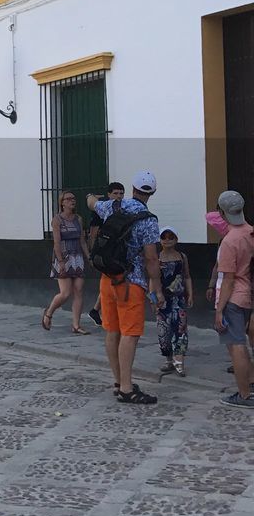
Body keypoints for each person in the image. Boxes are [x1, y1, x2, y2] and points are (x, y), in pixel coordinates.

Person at [87, 172, 164, 405]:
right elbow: (151, 258)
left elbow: (91, 203)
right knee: (130, 335)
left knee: (113, 331)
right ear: (151, 193)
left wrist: (92, 197)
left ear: (132, 188)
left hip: (107, 279)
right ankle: (128, 389)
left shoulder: (113, 206)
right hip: (131, 283)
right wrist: (157, 289)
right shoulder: (148, 220)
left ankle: (119, 381)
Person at [212, 190, 254, 407]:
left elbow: (228, 279)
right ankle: (250, 383)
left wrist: (219, 309)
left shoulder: (230, 241)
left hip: (233, 298)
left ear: (222, 211)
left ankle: (244, 394)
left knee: (235, 345)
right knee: (242, 344)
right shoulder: (250, 232)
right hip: (248, 295)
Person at [42, 191, 89, 334]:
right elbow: (56, 242)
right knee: (65, 293)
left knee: (79, 290)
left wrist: (88, 256)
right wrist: (61, 261)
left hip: (77, 257)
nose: (72, 201)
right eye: (68, 199)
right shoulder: (57, 220)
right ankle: (49, 312)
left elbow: (82, 240)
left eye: (73, 198)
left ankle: (76, 325)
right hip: (64, 256)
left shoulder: (78, 219)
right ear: (62, 203)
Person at [156, 228, 193, 377]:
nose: (167, 240)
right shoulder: (157, 258)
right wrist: (153, 300)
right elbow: (153, 280)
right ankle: (169, 359)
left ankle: (180, 362)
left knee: (181, 330)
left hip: (179, 299)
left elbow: (187, 276)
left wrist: (190, 294)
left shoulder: (182, 257)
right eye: (164, 238)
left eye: (171, 238)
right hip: (163, 300)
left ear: (176, 240)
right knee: (164, 332)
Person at [88, 182, 124, 325]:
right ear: (109, 194)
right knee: (110, 280)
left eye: (121, 193)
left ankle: (96, 310)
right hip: (105, 250)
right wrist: (92, 253)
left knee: (111, 281)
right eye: (115, 193)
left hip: (118, 250)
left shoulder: (124, 209)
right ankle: (98, 311)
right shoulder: (101, 210)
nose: (118, 196)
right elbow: (93, 233)